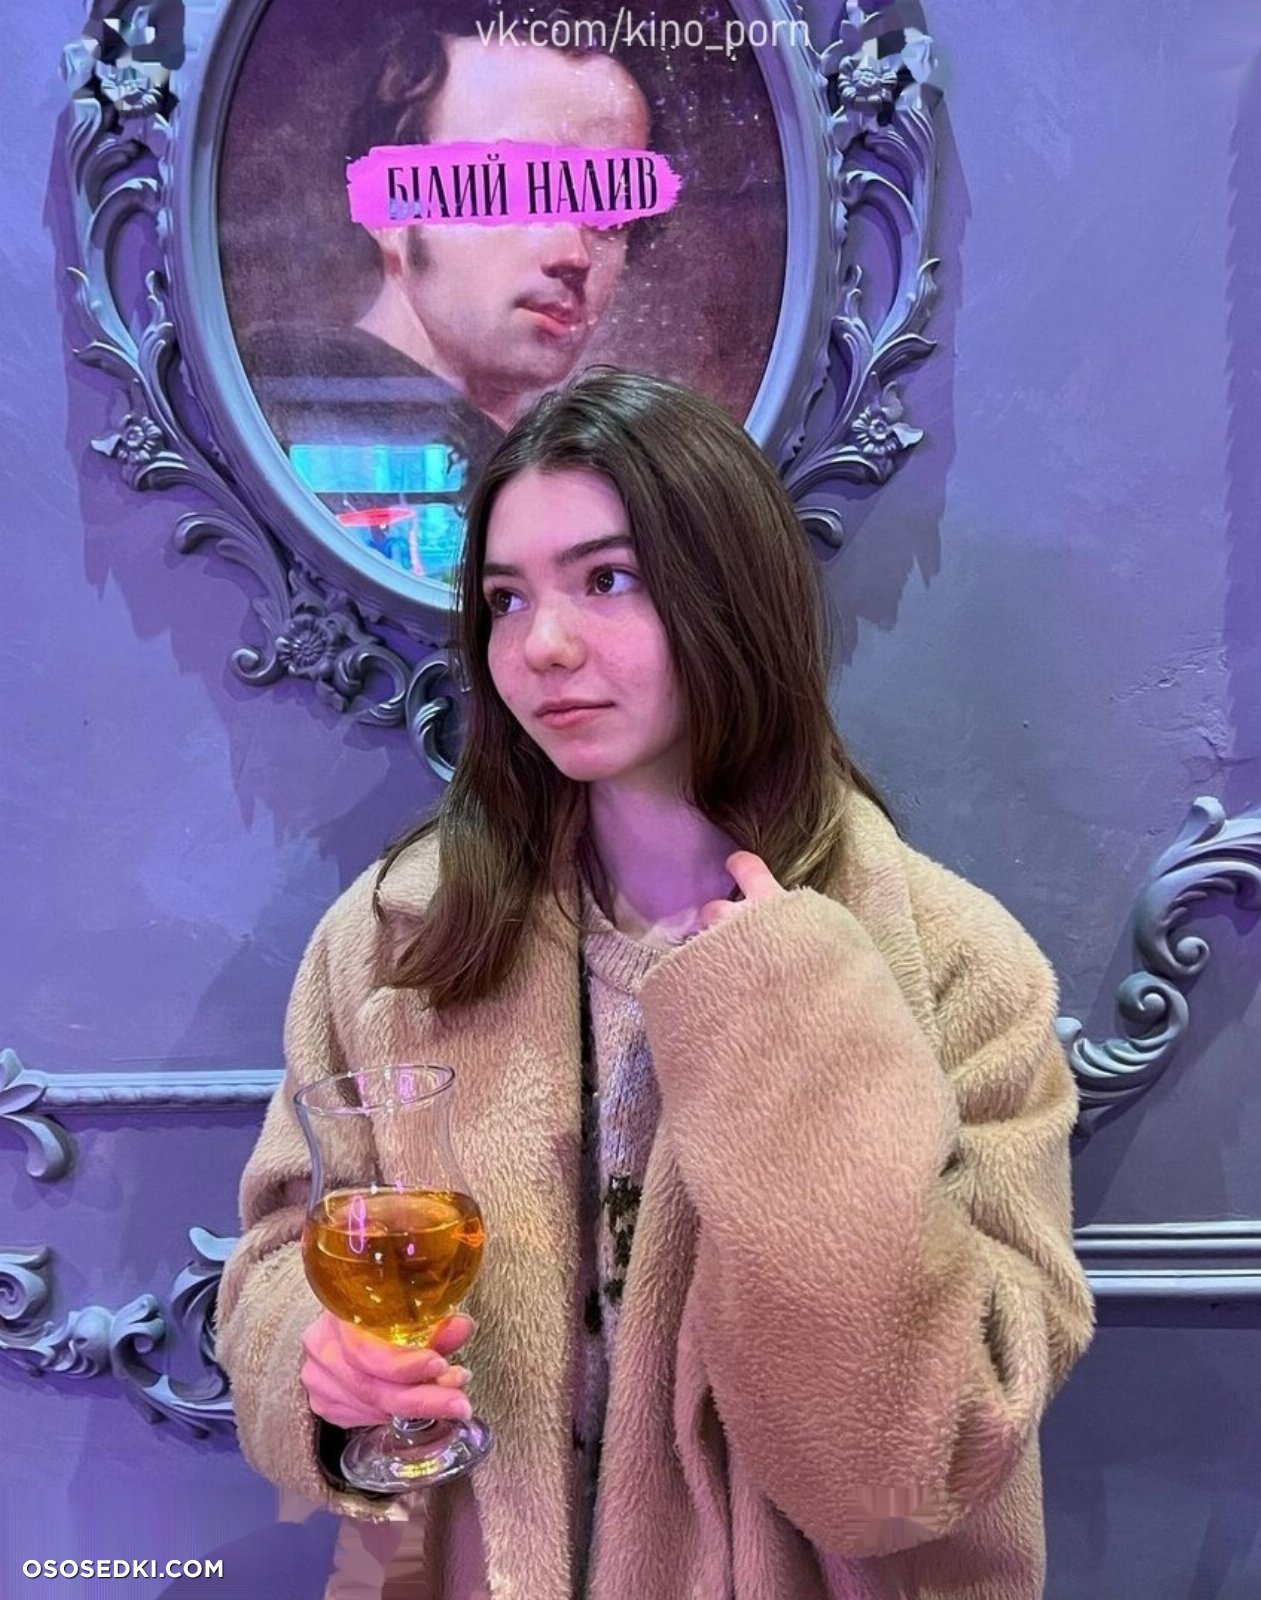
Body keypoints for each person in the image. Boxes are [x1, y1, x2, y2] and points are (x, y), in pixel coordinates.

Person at [215, 368, 1097, 1600]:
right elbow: (274, 1257)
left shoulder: (950, 966)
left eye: (608, 579)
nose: (543, 645)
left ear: (730, 596)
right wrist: (317, 1370)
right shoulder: (393, 942)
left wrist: (788, 1003)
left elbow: (905, 1466)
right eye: (505, 599)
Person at [246, 16, 654, 583]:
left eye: (610, 207)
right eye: (514, 187)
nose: (574, 253)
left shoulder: (543, 469)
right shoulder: (285, 417)